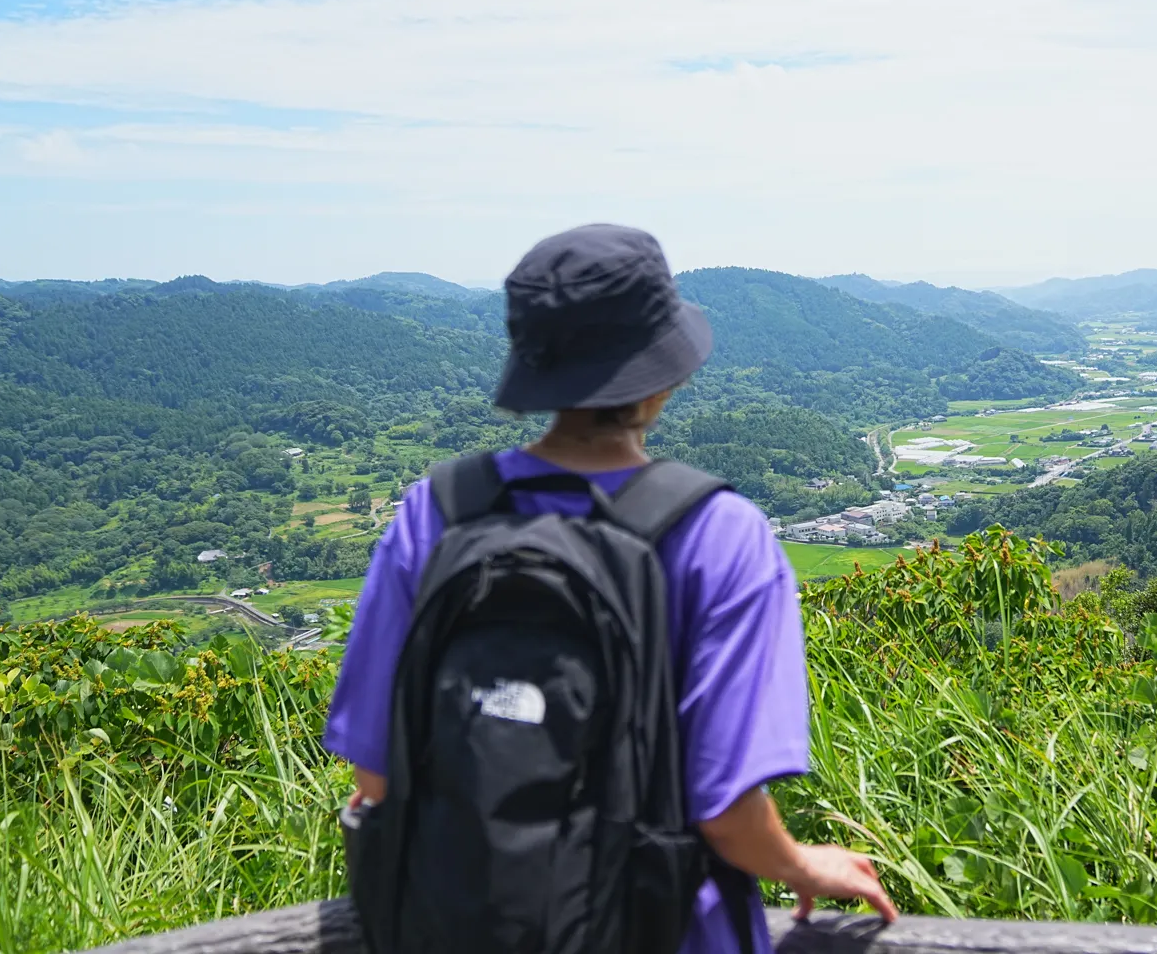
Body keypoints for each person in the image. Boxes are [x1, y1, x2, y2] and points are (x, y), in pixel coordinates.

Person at [324, 223, 895, 953]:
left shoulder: (434, 513)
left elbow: (375, 776)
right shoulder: (720, 535)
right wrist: (800, 863)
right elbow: (726, 812)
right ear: (665, 373)